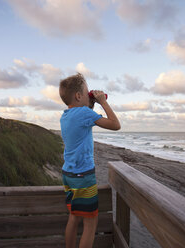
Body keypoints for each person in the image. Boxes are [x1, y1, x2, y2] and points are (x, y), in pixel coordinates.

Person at [59, 73, 120, 248]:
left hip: (68, 174)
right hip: (83, 175)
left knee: (74, 217)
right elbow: (115, 125)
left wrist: (90, 102)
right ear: (78, 96)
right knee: (90, 222)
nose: (90, 94)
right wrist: (103, 101)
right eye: (87, 92)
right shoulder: (84, 113)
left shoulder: (66, 115)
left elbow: (84, 117)